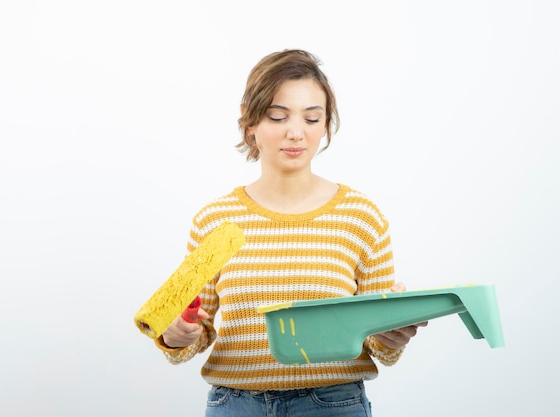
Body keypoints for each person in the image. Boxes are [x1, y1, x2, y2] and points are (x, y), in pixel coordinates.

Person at [155, 49, 427, 417]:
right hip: (236, 405)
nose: (296, 132)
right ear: (249, 123)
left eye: (312, 118)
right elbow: (192, 331)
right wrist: (176, 334)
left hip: (333, 404)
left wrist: (390, 334)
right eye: (277, 116)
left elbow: (381, 345)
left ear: (326, 124)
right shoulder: (215, 220)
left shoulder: (360, 216)